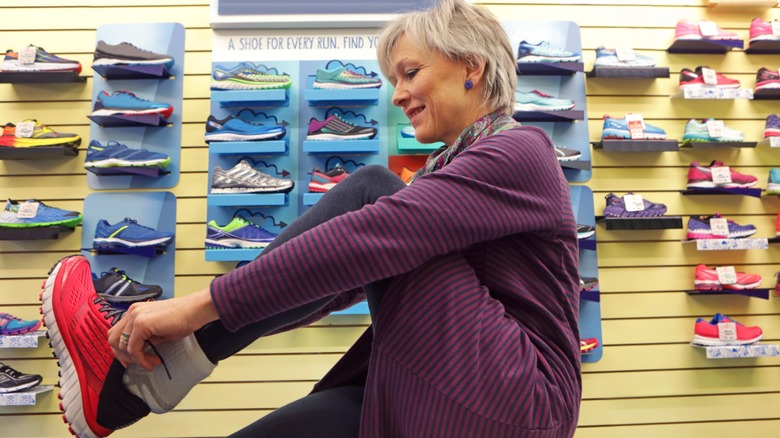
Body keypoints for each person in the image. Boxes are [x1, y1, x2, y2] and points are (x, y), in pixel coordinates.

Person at [40, 0, 582, 436]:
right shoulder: (458, 164)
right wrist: (268, 304)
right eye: (394, 78)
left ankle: (158, 370)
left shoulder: (521, 150)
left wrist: (196, 308)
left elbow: (378, 236)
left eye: (411, 73)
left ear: (472, 66)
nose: (398, 95)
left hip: (519, 394)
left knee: (374, 190)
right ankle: (134, 391)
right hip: (453, 380)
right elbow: (344, 277)